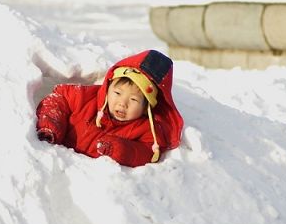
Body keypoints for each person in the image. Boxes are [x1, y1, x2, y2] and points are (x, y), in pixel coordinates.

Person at [35, 49, 184, 167]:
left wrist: (119, 149)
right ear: (107, 88)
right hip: (53, 163)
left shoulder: (145, 129)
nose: (122, 103)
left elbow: (147, 152)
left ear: (146, 108)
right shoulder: (87, 98)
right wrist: (51, 126)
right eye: (117, 93)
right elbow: (59, 98)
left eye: (133, 100)